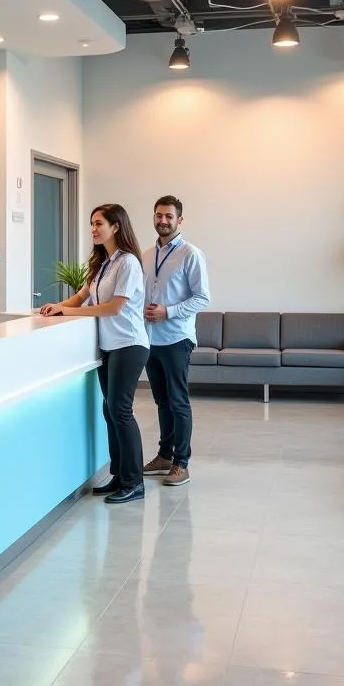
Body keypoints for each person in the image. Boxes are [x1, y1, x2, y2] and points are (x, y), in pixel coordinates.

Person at [39, 204, 149, 504]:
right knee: (109, 410)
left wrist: (71, 310)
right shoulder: (102, 263)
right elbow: (81, 296)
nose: (93, 228)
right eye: (91, 223)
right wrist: (59, 307)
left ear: (116, 227)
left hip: (130, 344)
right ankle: (119, 474)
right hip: (109, 347)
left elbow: (115, 307)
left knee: (121, 411)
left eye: (98, 223)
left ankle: (134, 482)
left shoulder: (128, 263)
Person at [143, 196, 210, 486]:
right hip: (149, 340)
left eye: (169, 216)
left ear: (179, 220)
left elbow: (202, 298)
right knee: (161, 401)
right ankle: (164, 455)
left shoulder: (191, 254)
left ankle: (182, 463)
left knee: (178, 402)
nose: (163, 221)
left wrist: (167, 311)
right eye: (159, 216)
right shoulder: (146, 255)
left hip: (177, 338)